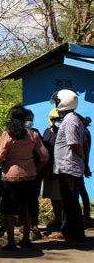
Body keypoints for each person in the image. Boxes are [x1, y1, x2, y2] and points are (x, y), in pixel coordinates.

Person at [0, 105, 48, 250]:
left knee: (9, 210)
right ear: (25, 118)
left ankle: (11, 242)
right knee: (27, 207)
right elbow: (44, 157)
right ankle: (26, 239)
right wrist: (35, 170)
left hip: (10, 178)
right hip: (29, 176)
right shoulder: (33, 135)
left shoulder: (7, 134)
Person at [51, 89, 87, 243]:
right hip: (67, 167)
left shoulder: (71, 120)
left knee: (71, 203)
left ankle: (77, 236)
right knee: (68, 202)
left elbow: (74, 144)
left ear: (64, 102)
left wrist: (83, 160)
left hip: (69, 167)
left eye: (58, 102)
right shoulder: (72, 119)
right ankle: (67, 232)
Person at [41, 109, 63, 233]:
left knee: (62, 197)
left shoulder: (64, 132)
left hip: (61, 170)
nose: (58, 122)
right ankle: (58, 220)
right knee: (53, 198)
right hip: (49, 170)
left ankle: (63, 223)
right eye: (56, 119)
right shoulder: (46, 132)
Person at [24, 109, 43, 237]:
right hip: (22, 174)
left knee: (32, 200)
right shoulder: (16, 134)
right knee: (23, 201)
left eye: (31, 118)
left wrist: (37, 170)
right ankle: (25, 225)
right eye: (27, 118)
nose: (29, 121)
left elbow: (44, 155)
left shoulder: (36, 133)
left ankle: (33, 224)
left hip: (34, 173)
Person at [79, 116, 91, 224]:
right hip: (81, 163)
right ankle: (86, 214)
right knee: (82, 191)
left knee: (80, 190)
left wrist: (85, 166)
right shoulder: (86, 132)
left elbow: (86, 150)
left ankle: (85, 215)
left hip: (78, 164)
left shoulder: (84, 133)